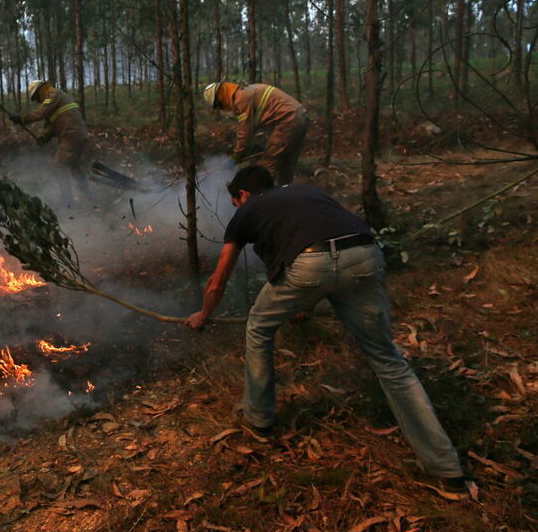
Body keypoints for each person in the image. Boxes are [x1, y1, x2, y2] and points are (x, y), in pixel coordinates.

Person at [186, 165, 468, 500]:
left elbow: (219, 281)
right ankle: (447, 471)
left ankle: (259, 422)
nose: (238, 208)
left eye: (236, 202)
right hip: (365, 254)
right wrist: (301, 301)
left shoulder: (247, 209)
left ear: (243, 195)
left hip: (310, 265)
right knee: (388, 360)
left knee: (259, 328)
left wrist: (203, 315)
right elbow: (321, 240)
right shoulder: (308, 192)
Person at [203, 81, 308, 185]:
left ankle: (262, 198)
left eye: (218, 104)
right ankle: (285, 195)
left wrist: (235, 158)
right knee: (286, 165)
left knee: (266, 166)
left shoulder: (241, 99)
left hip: (288, 120)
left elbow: (245, 133)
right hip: (299, 116)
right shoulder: (248, 91)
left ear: (222, 96)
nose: (221, 108)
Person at [11, 80, 90, 204]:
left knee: (59, 167)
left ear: (39, 91)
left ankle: (67, 201)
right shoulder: (56, 99)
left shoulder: (53, 94)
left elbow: (41, 113)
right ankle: (86, 196)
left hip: (71, 135)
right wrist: (44, 137)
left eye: (36, 97)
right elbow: (52, 124)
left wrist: (22, 119)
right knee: (74, 165)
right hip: (77, 134)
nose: (37, 101)